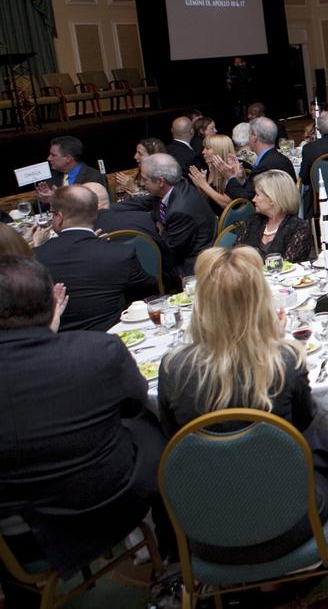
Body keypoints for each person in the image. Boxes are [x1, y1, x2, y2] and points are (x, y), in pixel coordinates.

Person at [0, 256, 166, 582]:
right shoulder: (98, 350)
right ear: (53, 303)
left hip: (18, 536)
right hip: (110, 508)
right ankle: (172, 548)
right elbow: (134, 403)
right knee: (156, 426)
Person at [155, 246, 324, 561]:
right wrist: (275, 340)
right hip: (290, 520)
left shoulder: (172, 368)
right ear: (261, 303)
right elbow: (303, 426)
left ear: (202, 306)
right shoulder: (285, 361)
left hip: (208, 531)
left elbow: (173, 439)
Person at [32, 186, 154, 333]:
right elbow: (149, 287)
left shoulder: (35, 258)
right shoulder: (118, 253)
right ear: (95, 213)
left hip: (58, 343)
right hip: (114, 338)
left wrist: (35, 247)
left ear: (59, 217)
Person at [139, 153, 216, 279]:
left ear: (160, 181)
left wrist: (161, 231)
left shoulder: (180, 210)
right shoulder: (180, 183)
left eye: (144, 179)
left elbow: (170, 252)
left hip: (193, 266)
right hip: (188, 250)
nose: (142, 183)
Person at [237, 169, 314, 263]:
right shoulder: (252, 221)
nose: (253, 199)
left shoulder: (299, 228)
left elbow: (289, 266)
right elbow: (236, 256)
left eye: (257, 195)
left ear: (272, 198)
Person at [220, 117, 296, 200]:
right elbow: (251, 191)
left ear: (254, 137)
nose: (248, 138)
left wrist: (230, 177)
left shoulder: (264, 166)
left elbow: (246, 198)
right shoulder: (283, 159)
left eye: (249, 135)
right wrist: (242, 180)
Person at [186, 133, 238, 211]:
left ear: (219, 150)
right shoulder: (212, 168)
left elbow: (228, 205)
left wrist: (204, 185)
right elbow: (209, 201)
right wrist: (200, 188)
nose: (203, 152)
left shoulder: (235, 169)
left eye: (207, 148)